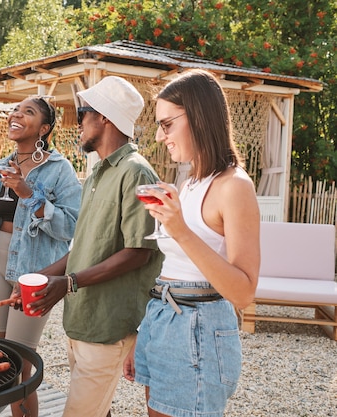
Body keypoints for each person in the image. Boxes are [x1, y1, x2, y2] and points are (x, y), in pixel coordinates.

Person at [124, 69, 260, 417]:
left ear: (198, 117)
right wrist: (145, 331)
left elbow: (243, 292)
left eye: (167, 124)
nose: (159, 136)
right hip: (164, 316)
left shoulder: (235, 187)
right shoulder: (191, 181)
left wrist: (180, 229)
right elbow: (175, 267)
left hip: (196, 327)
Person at [31, 76, 164, 417]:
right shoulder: (96, 174)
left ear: (104, 116)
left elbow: (139, 252)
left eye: (81, 114)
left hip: (108, 324)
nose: (77, 123)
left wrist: (70, 283)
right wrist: (43, 277)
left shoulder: (136, 173)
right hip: (82, 318)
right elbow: (85, 245)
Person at [0, 96, 82, 417]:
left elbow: (71, 226)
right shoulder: (4, 164)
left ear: (44, 128)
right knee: (3, 363)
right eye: (15, 109)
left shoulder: (59, 169)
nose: (16, 114)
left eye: (28, 112)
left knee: (20, 367)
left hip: (35, 270)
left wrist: (29, 193)